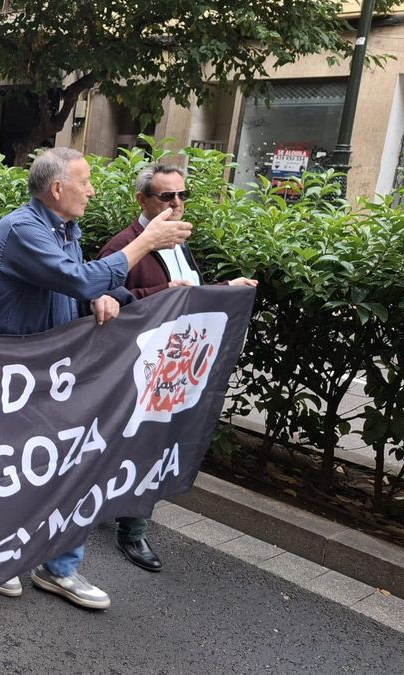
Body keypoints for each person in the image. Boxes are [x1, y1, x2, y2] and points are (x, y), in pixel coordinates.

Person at [0, 147, 192, 607]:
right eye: (85, 182)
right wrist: (144, 243)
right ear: (57, 189)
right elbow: (75, 279)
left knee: (76, 466)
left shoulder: (66, 228)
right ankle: (3, 559)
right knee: (19, 471)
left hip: (64, 368)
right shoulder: (21, 229)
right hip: (23, 371)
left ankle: (59, 568)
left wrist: (110, 295)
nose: (93, 190)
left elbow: (82, 283)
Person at [96, 162, 257, 572]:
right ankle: (131, 531)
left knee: (145, 442)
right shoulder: (123, 246)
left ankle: (109, 506)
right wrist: (160, 291)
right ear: (143, 200)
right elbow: (100, 300)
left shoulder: (181, 245)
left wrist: (225, 290)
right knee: (141, 442)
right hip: (138, 369)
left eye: (182, 195)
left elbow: (189, 300)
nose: (177, 203)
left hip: (175, 366)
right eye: (167, 196)